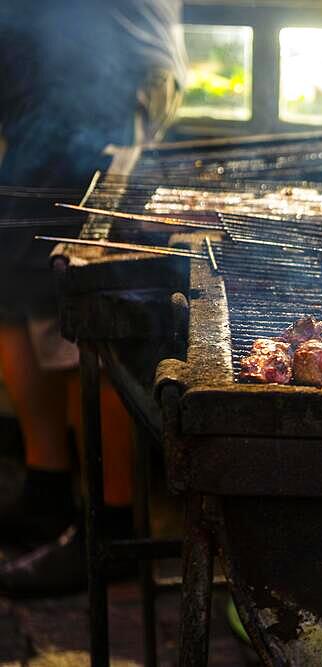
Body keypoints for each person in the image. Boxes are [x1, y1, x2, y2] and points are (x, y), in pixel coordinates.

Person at [0, 0, 186, 596]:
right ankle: (47, 490)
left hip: (94, 70)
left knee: (86, 288)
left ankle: (112, 528)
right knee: (15, 289)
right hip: (52, 70)